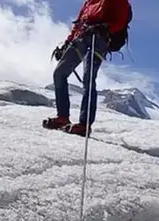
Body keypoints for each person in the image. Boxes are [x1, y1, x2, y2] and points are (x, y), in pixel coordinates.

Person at [43, 0, 131, 136]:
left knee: (88, 79)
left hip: (100, 38)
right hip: (82, 37)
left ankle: (84, 125)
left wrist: (106, 28)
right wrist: (67, 42)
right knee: (59, 73)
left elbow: (120, 21)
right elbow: (79, 22)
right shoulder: (89, 1)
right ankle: (63, 117)